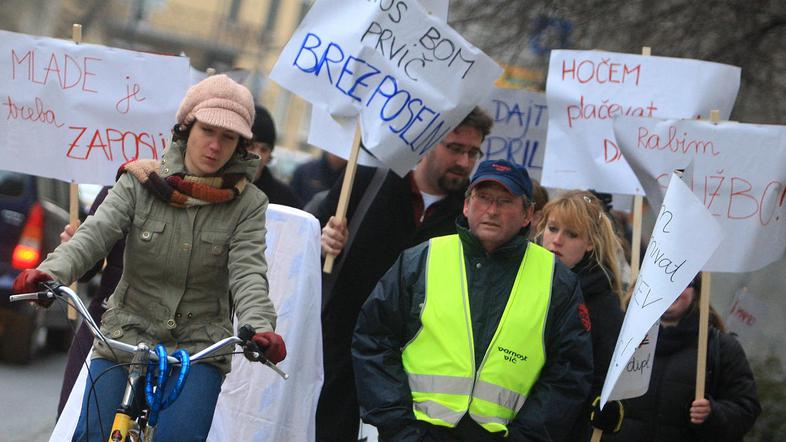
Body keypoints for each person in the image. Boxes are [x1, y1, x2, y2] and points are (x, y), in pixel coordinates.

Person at [11, 74, 286, 441]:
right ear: (187, 129)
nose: (215, 145)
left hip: (200, 345)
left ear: (240, 145)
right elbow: (94, 235)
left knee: (181, 435)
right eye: (208, 130)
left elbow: (249, 272)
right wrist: (48, 273)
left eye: (229, 137)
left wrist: (260, 326)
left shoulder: (249, 204)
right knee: (91, 432)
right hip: (127, 330)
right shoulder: (139, 180)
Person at [352, 159, 593, 441]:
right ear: (466, 205)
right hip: (414, 432)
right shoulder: (420, 260)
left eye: (505, 201)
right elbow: (373, 341)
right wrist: (400, 427)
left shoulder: (557, 282)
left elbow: (568, 374)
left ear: (527, 214)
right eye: (483, 198)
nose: (492, 210)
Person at [315, 107, 493, 441]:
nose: (464, 162)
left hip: (411, 377)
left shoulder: (469, 218)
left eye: (473, 153)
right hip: (337, 357)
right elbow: (307, 243)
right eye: (454, 148)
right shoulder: (366, 180)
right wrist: (323, 240)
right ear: (426, 142)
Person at [605, 275, 761, 442]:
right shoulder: (619, 336)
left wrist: (713, 414)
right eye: (663, 279)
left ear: (696, 291)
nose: (672, 287)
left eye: (683, 281)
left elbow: (746, 410)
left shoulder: (720, 348)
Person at [537, 190, 626, 440]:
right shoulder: (518, 280)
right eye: (552, 228)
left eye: (572, 234)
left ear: (590, 243)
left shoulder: (602, 304)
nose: (556, 240)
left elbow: (603, 380)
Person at [247, 105, 303, 208]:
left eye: (264, 149)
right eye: (251, 146)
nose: (257, 154)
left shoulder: (286, 200)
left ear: (270, 154)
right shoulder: (222, 187)